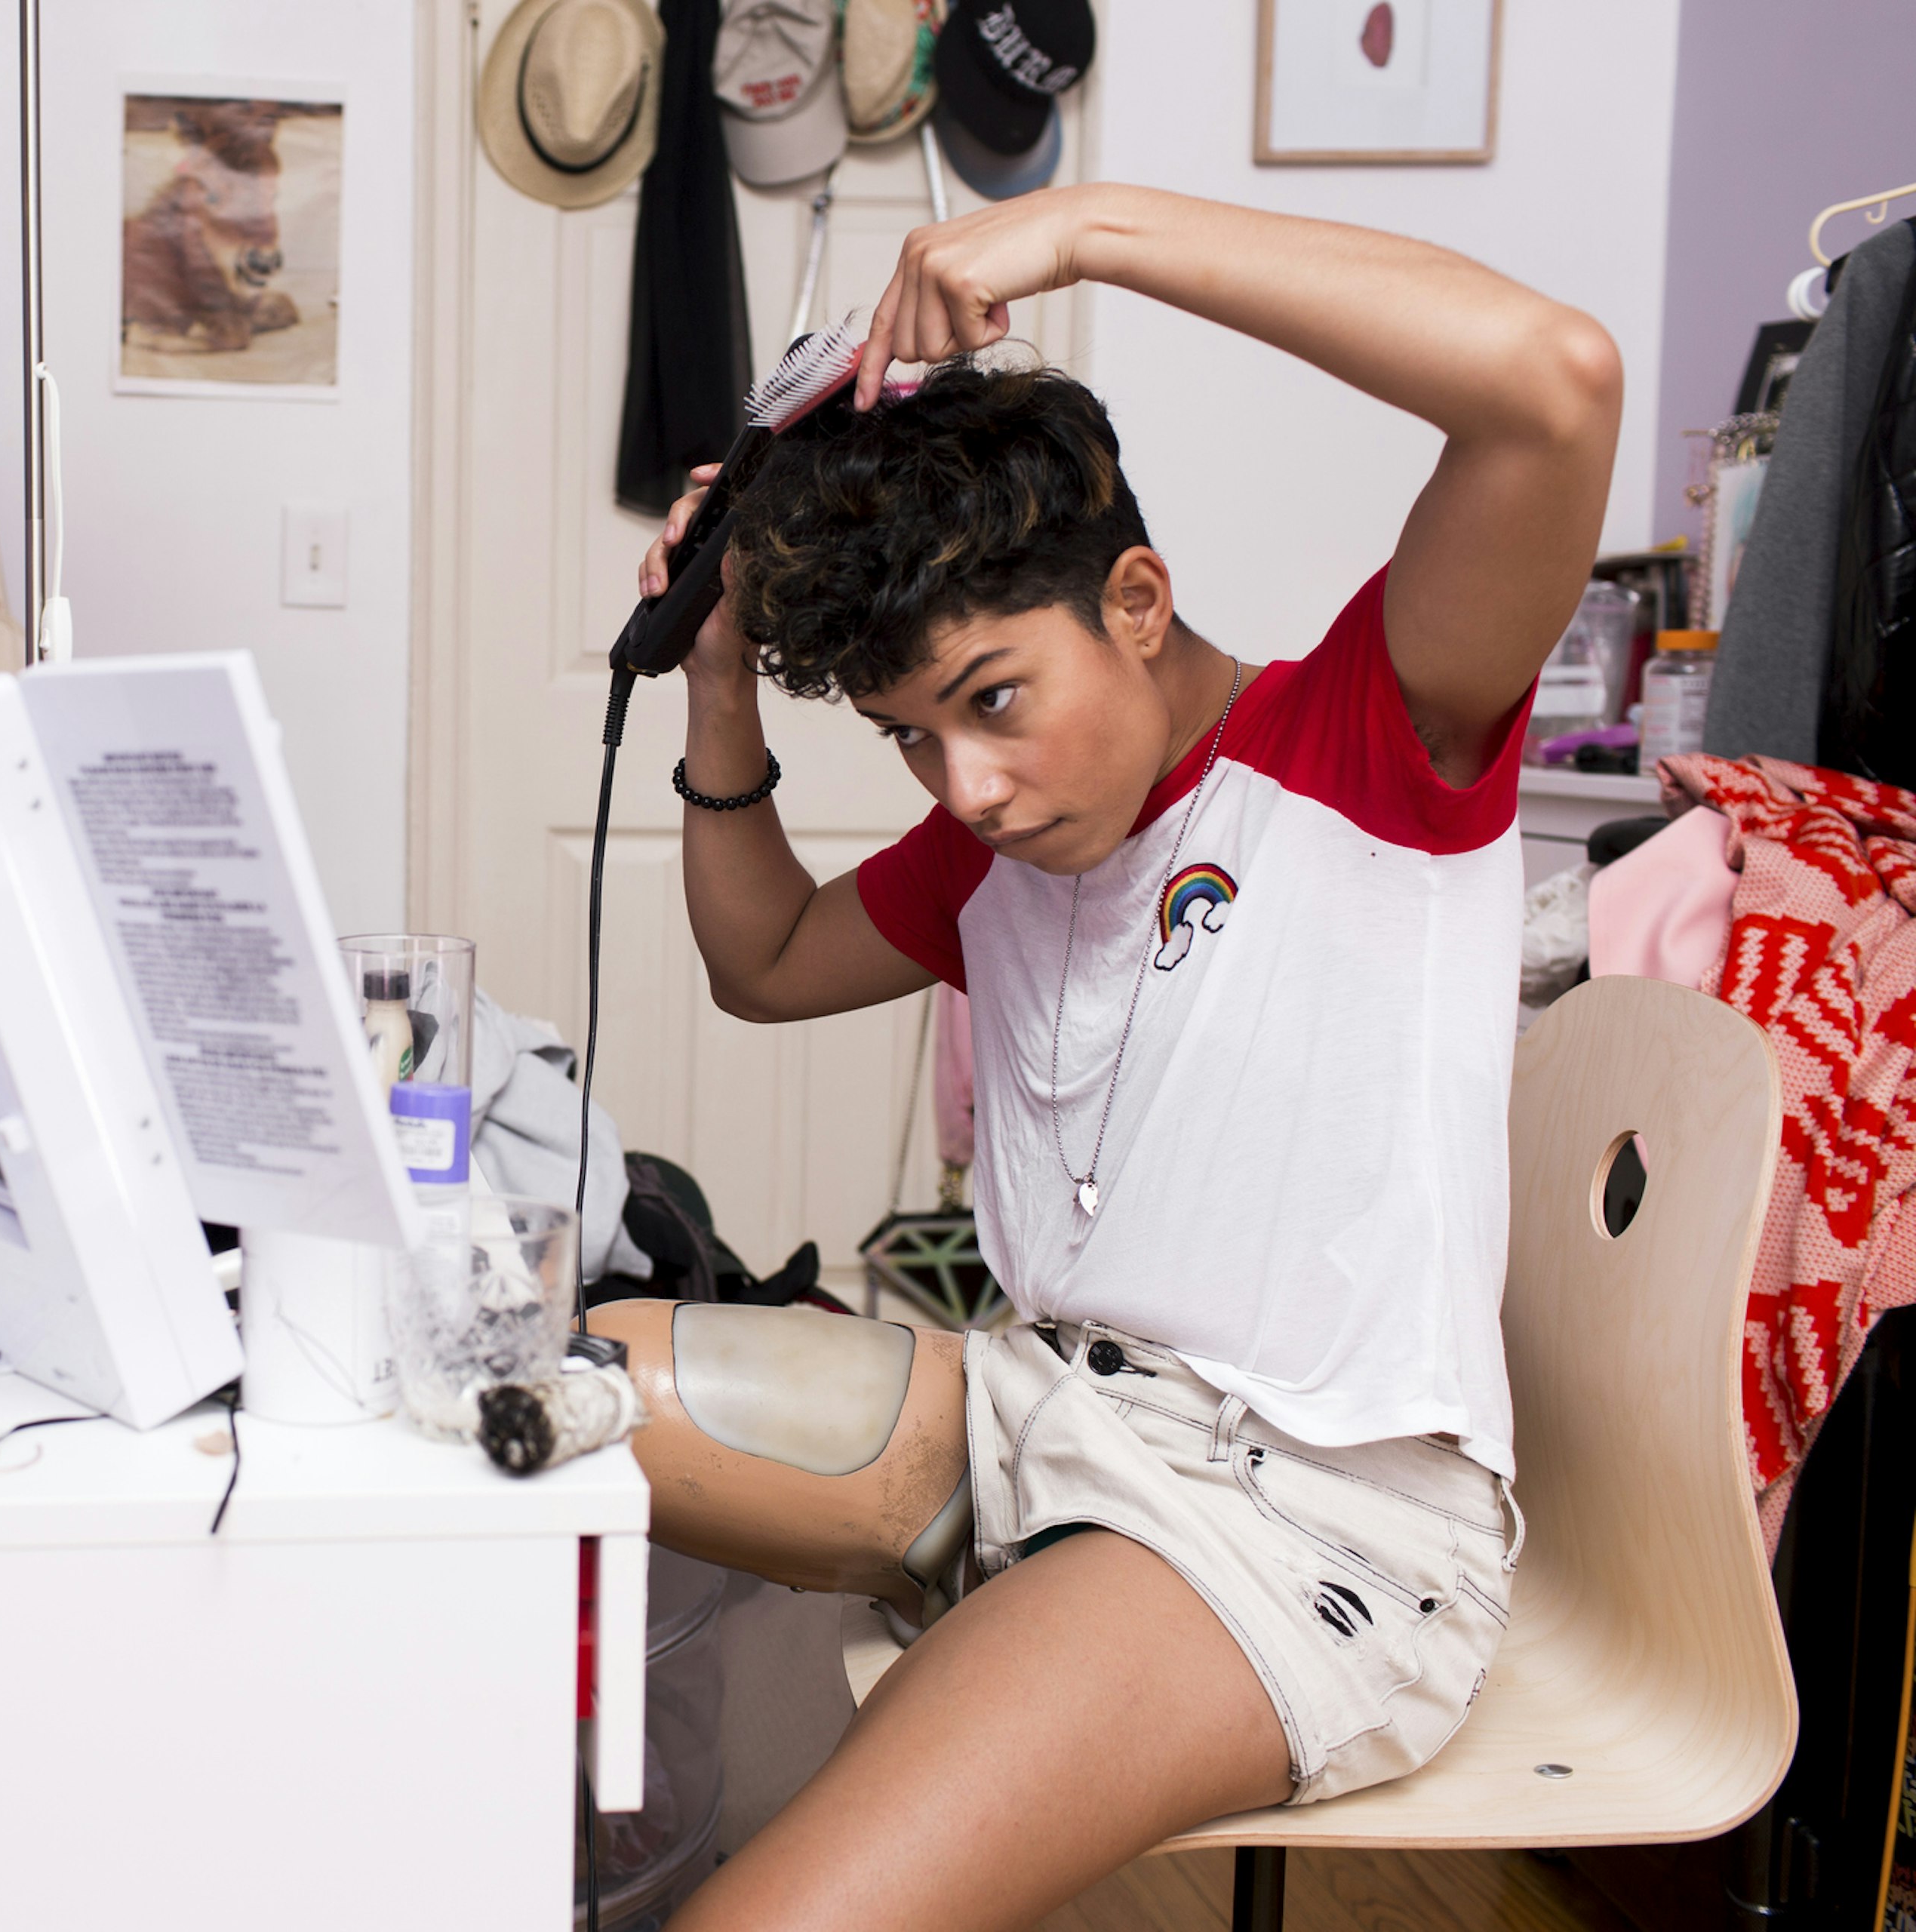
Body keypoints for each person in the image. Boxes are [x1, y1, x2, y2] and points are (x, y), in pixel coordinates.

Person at [589, 183, 1622, 1932]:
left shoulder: (1369, 739)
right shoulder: (1011, 843)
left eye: (995, 697)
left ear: (1137, 597)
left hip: (1297, 1535)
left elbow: (1555, 380)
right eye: (916, 740)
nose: (969, 787)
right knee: (556, 1397)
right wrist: (715, 692)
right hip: (1037, 1418)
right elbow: (761, 962)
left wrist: (1073, 235)